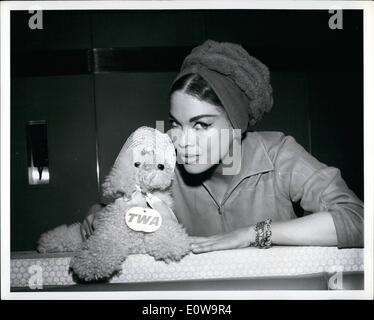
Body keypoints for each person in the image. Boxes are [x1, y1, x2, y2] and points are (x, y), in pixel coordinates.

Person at [82, 40, 364, 253]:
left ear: (236, 125)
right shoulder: (163, 164)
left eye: (201, 125)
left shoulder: (278, 154)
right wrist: (97, 218)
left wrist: (251, 234)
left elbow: (358, 221)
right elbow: (114, 206)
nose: (182, 140)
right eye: (176, 123)